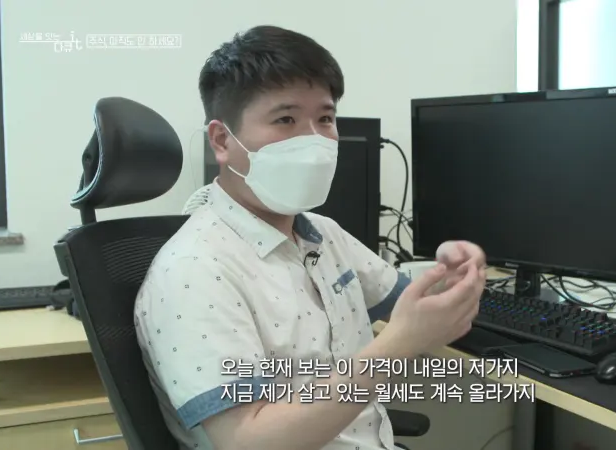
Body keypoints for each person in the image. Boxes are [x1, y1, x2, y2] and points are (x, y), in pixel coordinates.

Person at [134, 25, 487, 450]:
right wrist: (397, 346)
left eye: (325, 119)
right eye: (286, 119)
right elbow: (246, 442)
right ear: (223, 140)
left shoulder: (322, 234)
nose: (314, 141)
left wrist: (452, 273)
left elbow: (420, 312)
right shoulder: (194, 271)